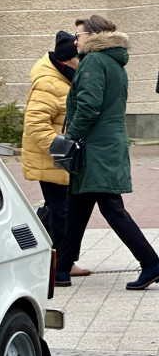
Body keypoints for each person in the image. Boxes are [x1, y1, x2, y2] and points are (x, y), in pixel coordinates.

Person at [54, 15, 159, 290]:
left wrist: (70, 136)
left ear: (94, 35)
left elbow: (89, 105)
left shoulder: (94, 61)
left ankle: (151, 263)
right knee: (77, 205)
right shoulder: (113, 61)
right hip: (103, 144)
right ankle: (62, 269)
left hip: (96, 147)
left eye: (79, 34)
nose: (76, 40)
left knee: (112, 209)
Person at [21, 31, 89, 278]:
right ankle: (60, 263)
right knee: (61, 211)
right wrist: (64, 149)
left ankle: (49, 258)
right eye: (79, 56)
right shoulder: (48, 83)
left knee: (59, 210)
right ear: (68, 59)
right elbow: (35, 124)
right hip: (51, 159)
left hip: (60, 160)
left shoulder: (65, 78)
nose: (82, 61)